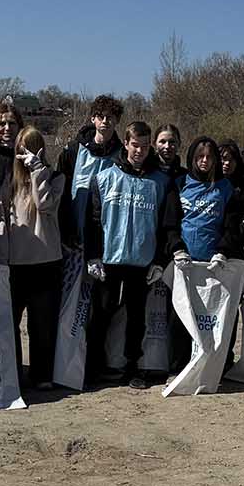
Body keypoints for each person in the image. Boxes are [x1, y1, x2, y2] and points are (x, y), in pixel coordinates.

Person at [84, 121, 171, 388]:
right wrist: (93, 255)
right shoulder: (104, 177)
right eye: (135, 145)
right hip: (109, 260)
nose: (139, 151)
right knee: (101, 314)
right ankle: (92, 368)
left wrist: (159, 261)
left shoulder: (160, 182)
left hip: (142, 262)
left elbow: (166, 224)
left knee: (137, 318)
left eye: (145, 146)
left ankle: (133, 367)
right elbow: (93, 221)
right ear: (126, 143)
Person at [0, 126, 65, 391]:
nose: (26, 154)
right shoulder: (9, 182)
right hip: (14, 264)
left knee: (42, 324)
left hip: (46, 262)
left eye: (32, 148)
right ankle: (12, 372)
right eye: (22, 149)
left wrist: (37, 170)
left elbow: (45, 205)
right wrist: (1, 259)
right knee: (9, 322)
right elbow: (2, 221)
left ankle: (42, 374)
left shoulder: (55, 178)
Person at [164, 137, 238, 374]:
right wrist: (176, 247)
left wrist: (223, 251)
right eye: (200, 157)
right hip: (184, 263)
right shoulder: (179, 184)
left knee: (211, 319)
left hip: (213, 266)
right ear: (192, 158)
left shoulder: (226, 188)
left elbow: (231, 226)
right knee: (180, 318)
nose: (204, 161)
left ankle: (214, 367)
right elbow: (170, 223)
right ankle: (177, 369)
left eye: (209, 157)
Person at [56, 94, 125, 244]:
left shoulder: (123, 155)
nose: (105, 121)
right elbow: (61, 192)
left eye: (110, 117)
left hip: (110, 236)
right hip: (75, 232)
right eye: (100, 116)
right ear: (93, 118)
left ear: (117, 120)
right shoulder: (73, 151)